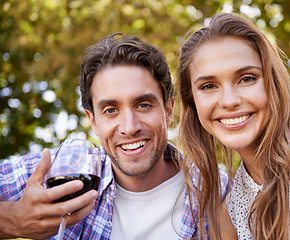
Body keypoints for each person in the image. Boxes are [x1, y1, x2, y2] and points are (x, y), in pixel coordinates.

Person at [0, 33, 229, 239]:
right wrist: (13, 220)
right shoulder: (62, 169)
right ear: (93, 121)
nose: (129, 127)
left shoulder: (218, 191)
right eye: (111, 110)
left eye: (143, 105)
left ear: (168, 110)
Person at [177, 12, 290, 240]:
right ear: (192, 101)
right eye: (208, 86)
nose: (229, 100)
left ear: (272, 81)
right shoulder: (229, 216)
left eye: (247, 78)